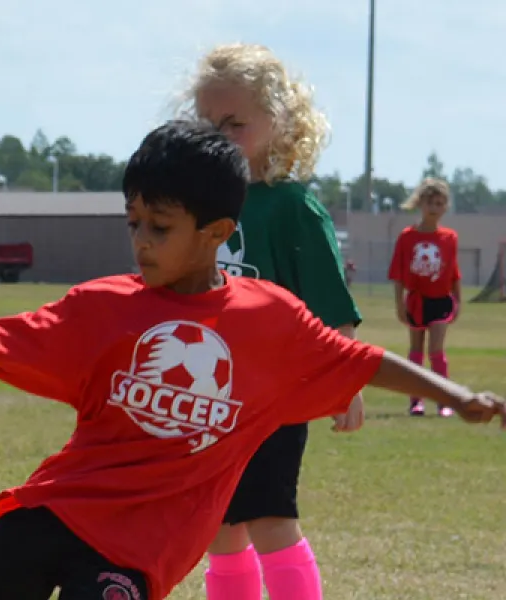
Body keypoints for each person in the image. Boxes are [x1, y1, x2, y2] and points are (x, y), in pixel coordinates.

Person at [0, 119, 506, 600]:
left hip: (139, 553)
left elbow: (362, 359)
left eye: (160, 228)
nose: (140, 241)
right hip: (60, 508)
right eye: (133, 222)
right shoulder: (103, 304)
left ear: (217, 233)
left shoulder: (268, 318)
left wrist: (462, 393)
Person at [185, 42, 362, 600]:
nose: (221, 135)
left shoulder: (292, 208)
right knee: (219, 530)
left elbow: (332, 308)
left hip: (273, 399)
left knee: (270, 521)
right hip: (210, 395)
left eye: (236, 123)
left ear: (277, 121)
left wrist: (346, 382)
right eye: (210, 124)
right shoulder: (196, 206)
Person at [390, 178, 462, 416]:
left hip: (441, 300)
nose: (435, 208)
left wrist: (457, 300)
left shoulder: (449, 237)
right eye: (430, 202)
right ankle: (416, 401)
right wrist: (400, 303)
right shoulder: (407, 237)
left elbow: (453, 272)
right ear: (421, 203)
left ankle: (445, 401)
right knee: (416, 349)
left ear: (445, 207)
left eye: (440, 203)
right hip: (416, 301)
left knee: (437, 350)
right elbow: (398, 273)